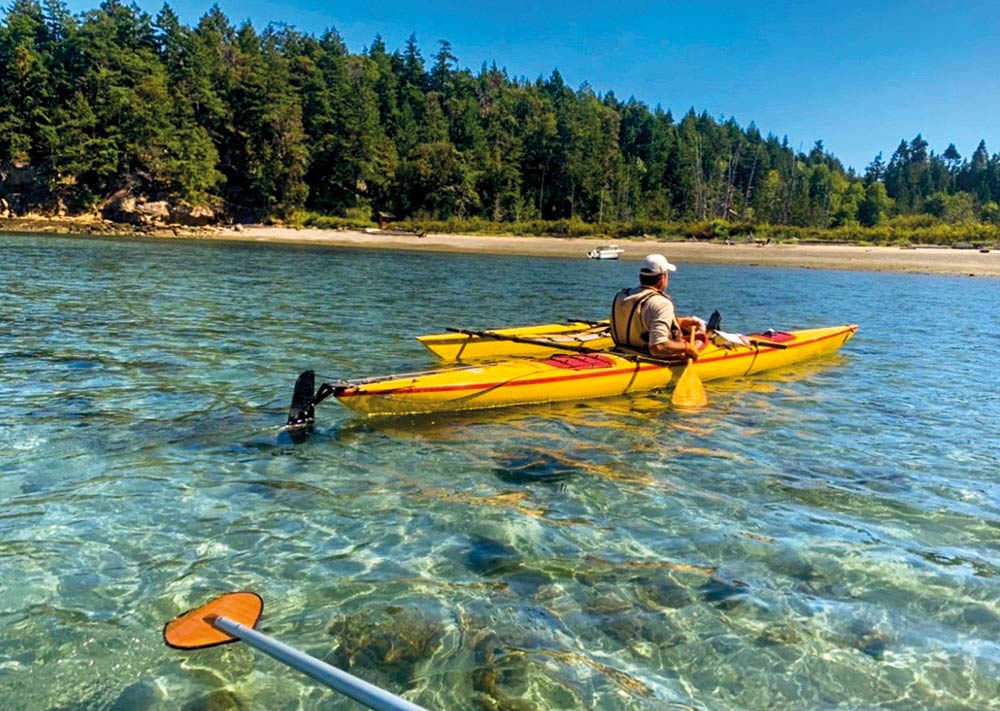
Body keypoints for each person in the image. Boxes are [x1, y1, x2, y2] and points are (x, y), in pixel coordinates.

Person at [610, 254, 704, 359]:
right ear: (663, 277)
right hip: (647, 359)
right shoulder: (661, 303)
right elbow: (658, 347)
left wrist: (679, 322)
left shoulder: (621, 295)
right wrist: (686, 347)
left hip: (621, 351)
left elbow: (640, 321)